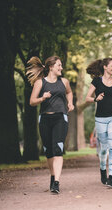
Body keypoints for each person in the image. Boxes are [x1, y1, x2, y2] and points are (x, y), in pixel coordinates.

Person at [27, 56, 74, 194]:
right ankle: (53, 176)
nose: (61, 68)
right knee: (49, 151)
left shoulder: (64, 82)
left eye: (61, 65)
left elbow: (69, 92)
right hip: (45, 119)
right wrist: (42, 98)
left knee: (58, 148)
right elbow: (32, 101)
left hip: (61, 117)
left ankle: (57, 183)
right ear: (51, 67)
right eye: (59, 65)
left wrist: (70, 103)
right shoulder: (40, 83)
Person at [85, 58, 112, 188]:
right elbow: (87, 98)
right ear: (105, 67)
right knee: (104, 149)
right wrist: (96, 98)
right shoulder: (96, 81)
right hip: (100, 118)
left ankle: (111, 177)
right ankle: (102, 170)